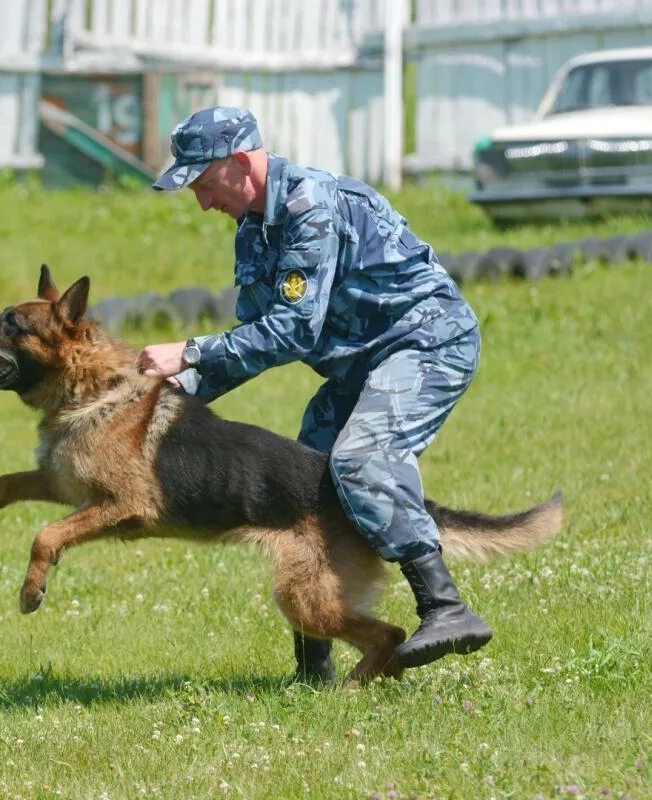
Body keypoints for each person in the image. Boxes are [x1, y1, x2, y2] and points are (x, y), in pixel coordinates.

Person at [136, 107, 492, 682]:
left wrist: (192, 352)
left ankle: (445, 609)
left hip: (426, 343)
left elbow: (294, 329)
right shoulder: (255, 230)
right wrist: (172, 391)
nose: (202, 202)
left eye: (203, 184)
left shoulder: (311, 204)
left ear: (240, 161)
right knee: (300, 486)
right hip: (362, 364)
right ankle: (313, 668)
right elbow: (254, 339)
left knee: (361, 461)